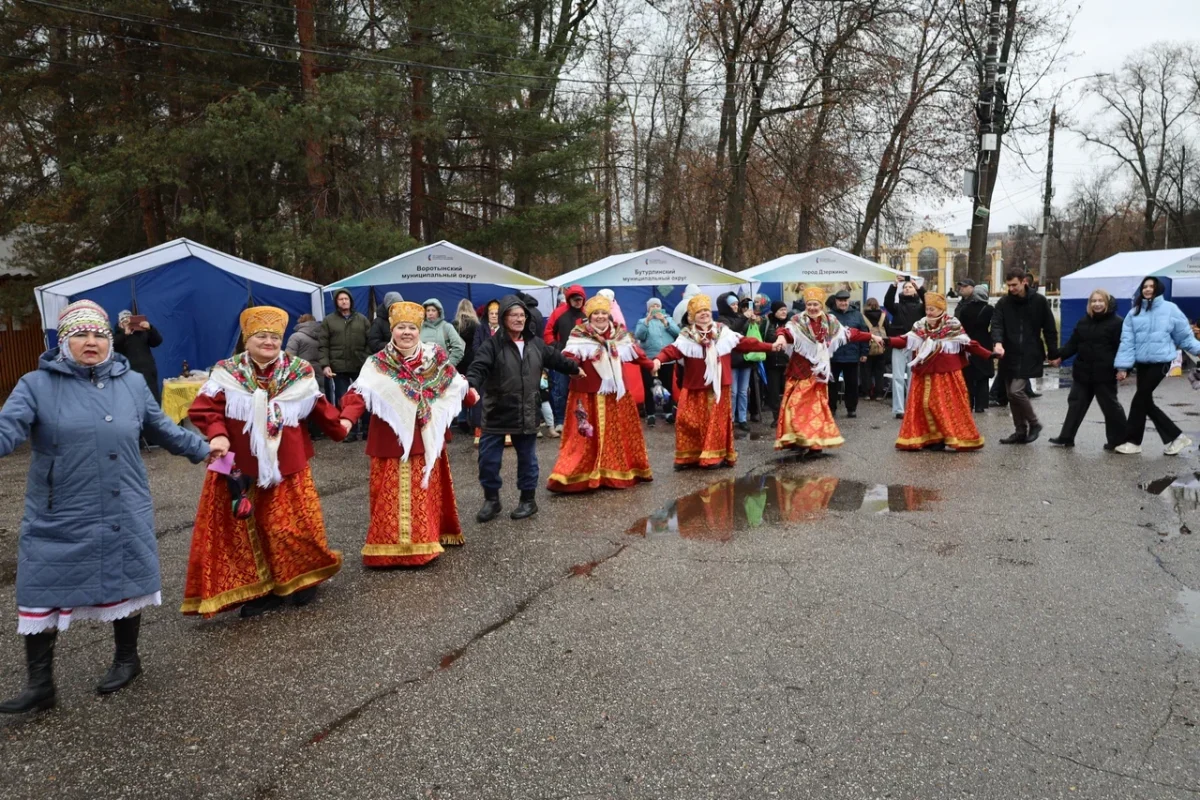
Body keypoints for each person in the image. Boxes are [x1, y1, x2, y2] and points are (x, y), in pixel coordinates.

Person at [0, 300, 210, 713]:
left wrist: (206, 449)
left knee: (125, 579)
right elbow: (8, 430)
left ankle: (127, 660)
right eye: (80, 335)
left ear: (110, 340)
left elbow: (162, 428)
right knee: (39, 589)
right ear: (63, 343)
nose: (91, 341)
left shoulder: (130, 383)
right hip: (59, 509)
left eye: (98, 334)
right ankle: (40, 685)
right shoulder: (35, 385)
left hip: (122, 502)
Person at [185, 306, 348, 618]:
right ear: (248, 339)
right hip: (236, 465)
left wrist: (343, 427)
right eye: (261, 336)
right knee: (245, 533)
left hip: (287, 464)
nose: (269, 342)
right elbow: (204, 409)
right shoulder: (226, 372)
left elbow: (320, 407)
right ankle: (263, 589)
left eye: (274, 337)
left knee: (291, 528)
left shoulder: (299, 371)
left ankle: (303, 578)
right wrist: (217, 435)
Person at [339, 302, 478, 566]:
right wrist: (346, 419)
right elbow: (359, 393)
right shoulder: (377, 363)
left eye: (412, 328)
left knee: (422, 494)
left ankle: (424, 544)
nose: (406, 332)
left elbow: (454, 382)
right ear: (392, 330)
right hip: (390, 440)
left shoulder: (434, 357)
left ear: (419, 330)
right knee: (390, 497)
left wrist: (471, 396)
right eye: (401, 327)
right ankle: (389, 550)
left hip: (424, 440)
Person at [466, 295, 581, 522]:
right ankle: (492, 500)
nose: (519, 319)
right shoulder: (492, 345)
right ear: (503, 318)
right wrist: (470, 384)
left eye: (522, 315)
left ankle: (528, 501)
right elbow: (478, 367)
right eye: (513, 315)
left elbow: (556, 359)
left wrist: (575, 369)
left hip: (527, 411)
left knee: (528, 461)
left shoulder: (535, 343)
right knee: (488, 461)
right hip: (496, 411)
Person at [650, 294, 778, 469]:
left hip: (718, 387)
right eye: (699, 312)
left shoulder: (723, 332)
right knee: (686, 420)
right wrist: (658, 359)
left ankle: (714, 456)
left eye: (706, 311)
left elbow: (745, 343)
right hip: (695, 386)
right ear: (692, 316)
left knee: (714, 422)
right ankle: (690, 456)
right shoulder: (687, 335)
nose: (704, 314)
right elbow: (672, 350)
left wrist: (770, 347)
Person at [547, 295, 654, 493]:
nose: (600, 317)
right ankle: (582, 474)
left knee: (618, 434)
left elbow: (636, 353)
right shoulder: (579, 334)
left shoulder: (619, 334)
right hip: (587, 394)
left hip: (616, 395)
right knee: (585, 436)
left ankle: (614, 471)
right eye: (596, 313)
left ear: (609, 315)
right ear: (589, 315)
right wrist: (572, 368)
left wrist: (652, 365)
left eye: (604, 313)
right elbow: (569, 356)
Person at [771, 287, 875, 455]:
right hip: (799, 370)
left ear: (821, 305)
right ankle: (799, 438)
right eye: (809, 304)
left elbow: (850, 334)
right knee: (794, 405)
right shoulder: (797, 320)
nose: (812, 307)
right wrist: (781, 338)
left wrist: (871, 336)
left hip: (818, 373)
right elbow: (786, 332)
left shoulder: (830, 321)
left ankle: (814, 442)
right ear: (806, 304)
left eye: (816, 304)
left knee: (815, 409)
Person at [881, 292, 990, 451]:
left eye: (932, 309)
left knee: (944, 406)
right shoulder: (921, 324)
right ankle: (930, 438)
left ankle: (947, 437)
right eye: (927, 309)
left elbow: (969, 344)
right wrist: (888, 341)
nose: (929, 312)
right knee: (923, 405)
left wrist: (988, 354)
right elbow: (906, 340)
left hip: (946, 374)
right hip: (924, 372)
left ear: (941, 309)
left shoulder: (952, 324)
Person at [1112, 276, 1200, 455]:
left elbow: (1184, 337)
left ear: (1158, 289)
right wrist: (1123, 367)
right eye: (1145, 286)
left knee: (1139, 399)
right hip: (1143, 363)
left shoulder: (1170, 310)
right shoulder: (1134, 313)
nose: (1148, 289)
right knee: (1145, 401)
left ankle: (1133, 441)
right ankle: (1176, 437)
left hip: (1161, 362)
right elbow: (1127, 342)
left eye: (1151, 286)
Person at [1047, 290, 1126, 450]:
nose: (1097, 304)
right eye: (1093, 301)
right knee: (1076, 404)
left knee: (1110, 407)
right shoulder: (1083, 322)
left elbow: (1123, 348)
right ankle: (1066, 437)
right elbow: (1073, 344)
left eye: (1100, 301)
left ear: (1107, 302)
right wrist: (1060, 357)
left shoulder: (1117, 323)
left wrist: (1123, 368)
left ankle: (1119, 440)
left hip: (1105, 373)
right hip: (1083, 372)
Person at [991, 268, 1058, 444]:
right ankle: (1020, 430)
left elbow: (1049, 328)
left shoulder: (1039, 301)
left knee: (1016, 391)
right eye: (1009, 285)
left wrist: (1053, 353)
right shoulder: (1004, 303)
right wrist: (997, 343)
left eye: (1014, 284)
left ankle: (1034, 424)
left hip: (1030, 352)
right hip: (1008, 353)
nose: (1011, 288)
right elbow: (996, 324)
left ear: (1024, 282)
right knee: (1010, 394)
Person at [319, 289, 370, 441]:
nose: (344, 301)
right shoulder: (328, 321)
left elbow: (370, 341)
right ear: (336, 302)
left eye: (346, 299)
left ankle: (367, 429)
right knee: (343, 398)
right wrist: (325, 365)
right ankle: (350, 431)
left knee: (364, 397)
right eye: (340, 299)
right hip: (338, 366)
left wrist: (365, 358)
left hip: (360, 365)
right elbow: (323, 345)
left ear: (351, 301)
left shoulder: (362, 319)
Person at [545, 285, 588, 432]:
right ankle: (560, 421)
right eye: (575, 299)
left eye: (580, 299)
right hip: (561, 359)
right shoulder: (558, 313)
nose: (577, 302)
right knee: (560, 390)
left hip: (583, 360)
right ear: (569, 299)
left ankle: (580, 420)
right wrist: (557, 348)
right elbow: (548, 333)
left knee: (581, 391)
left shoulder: (587, 313)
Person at [884, 277, 926, 419]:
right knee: (898, 377)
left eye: (910, 287)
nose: (907, 288)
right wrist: (894, 284)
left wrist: (919, 288)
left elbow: (928, 301)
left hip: (916, 345)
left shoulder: (921, 307)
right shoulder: (896, 307)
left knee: (913, 377)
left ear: (915, 289)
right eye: (905, 287)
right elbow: (887, 302)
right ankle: (899, 409)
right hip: (900, 343)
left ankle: (911, 406)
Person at [634, 297, 681, 426]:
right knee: (650, 386)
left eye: (657, 306)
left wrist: (665, 321)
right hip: (649, 359)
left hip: (667, 360)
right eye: (652, 306)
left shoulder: (669, 319)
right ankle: (650, 414)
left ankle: (668, 412)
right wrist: (647, 321)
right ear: (648, 308)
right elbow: (639, 335)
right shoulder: (642, 321)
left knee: (667, 386)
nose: (655, 308)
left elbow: (678, 334)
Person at [824, 290, 869, 418]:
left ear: (848, 301)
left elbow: (863, 333)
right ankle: (831, 408)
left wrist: (864, 351)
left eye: (845, 301)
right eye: (840, 301)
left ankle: (851, 408)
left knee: (852, 384)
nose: (843, 303)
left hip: (852, 355)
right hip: (834, 356)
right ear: (836, 301)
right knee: (832, 384)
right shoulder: (829, 316)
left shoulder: (857, 315)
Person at [953, 280, 993, 413]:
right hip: (984, 342)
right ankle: (981, 405)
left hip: (967, 342)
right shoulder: (989, 309)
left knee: (968, 375)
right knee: (983, 376)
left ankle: (968, 403)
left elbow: (959, 326)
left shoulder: (965, 309)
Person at [717, 292, 753, 432]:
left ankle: (742, 418)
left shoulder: (740, 316)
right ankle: (730, 419)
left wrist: (752, 321)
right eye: (732, 304)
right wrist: (744, 318)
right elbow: (730, 332)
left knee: (743, 392)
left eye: (736, 304)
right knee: (733, 392)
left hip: (745, 358)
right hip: (731, 360)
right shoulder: (721, 319)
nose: (735, 307)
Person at [113, 310, 164, 405]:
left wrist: (150, 328)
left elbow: (157, 342)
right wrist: (124, 334)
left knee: (153, 398)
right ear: (120, 323)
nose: (127, 323)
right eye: (124, 321)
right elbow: (114, 347)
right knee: (134, 400)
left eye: (129, 320)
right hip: (129, 373)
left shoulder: (142, 332)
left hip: (147, 371)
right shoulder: (117, 335)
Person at [763, 301, 790, 421]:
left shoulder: (790, 324)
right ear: (775, 311)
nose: (784, 312)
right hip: (772, 362)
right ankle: (777, 417)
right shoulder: (767, 323)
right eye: (781, 310)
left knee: (788, 391)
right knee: (773, 392)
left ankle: (788, 417)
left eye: (785, 309)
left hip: (788, 363)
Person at [419, 299, 466, 366]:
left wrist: (449, 365)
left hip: (442, 370)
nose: (430, 313)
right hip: (421, 370)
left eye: (433, 310)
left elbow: (458, 348)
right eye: (428, 310)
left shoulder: (446, 327)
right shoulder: (419, 328)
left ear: (439, 312)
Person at [860, 298, 888, 401]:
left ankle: (866, 393)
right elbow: (888, 330)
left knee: (866, 371)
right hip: (881, 347)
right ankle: (879, 394)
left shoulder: (862, 317)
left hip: (867, 347)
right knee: (879, 372)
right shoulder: (883, 316)